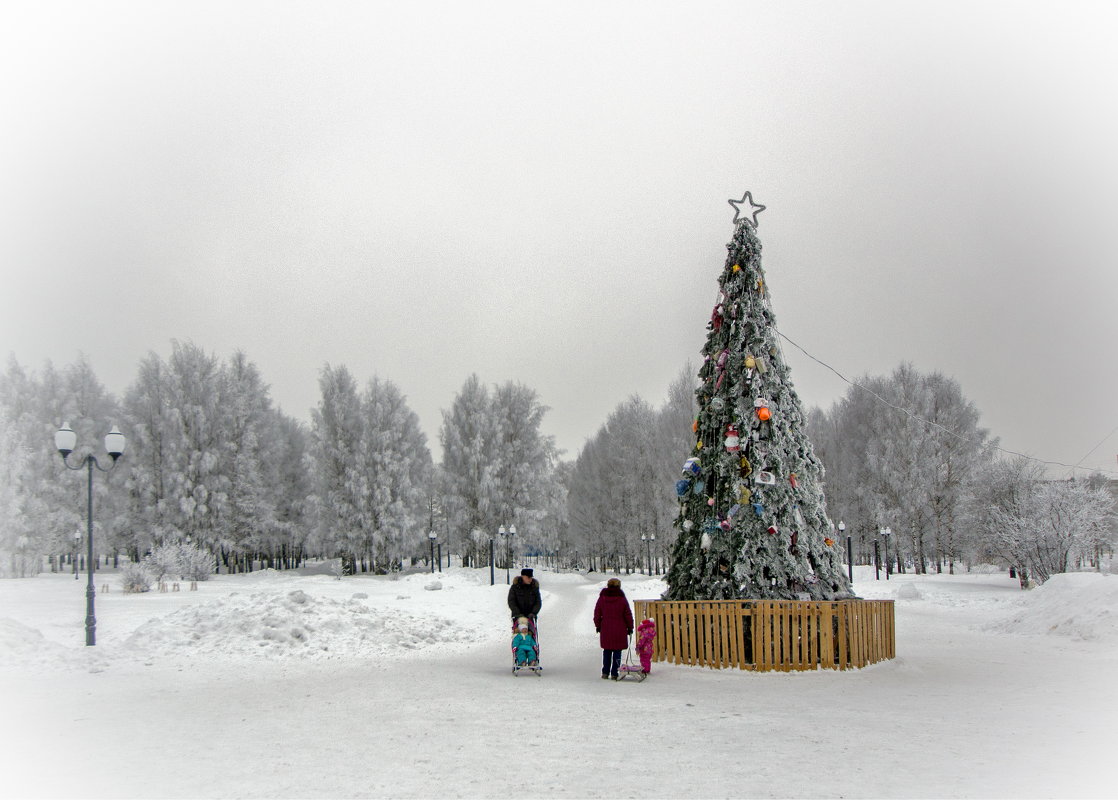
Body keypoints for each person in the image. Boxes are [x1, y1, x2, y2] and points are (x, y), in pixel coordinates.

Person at [593, 577, 633, 680]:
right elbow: (627, 614)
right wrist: (630, 627)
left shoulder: (602, 598)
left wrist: (598, 625)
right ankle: (615, 672)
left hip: (606, 628)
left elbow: (597, 612)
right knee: (617, 651)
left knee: (607, 651)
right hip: (620, 628)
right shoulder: (622, 598)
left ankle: (605, 672)